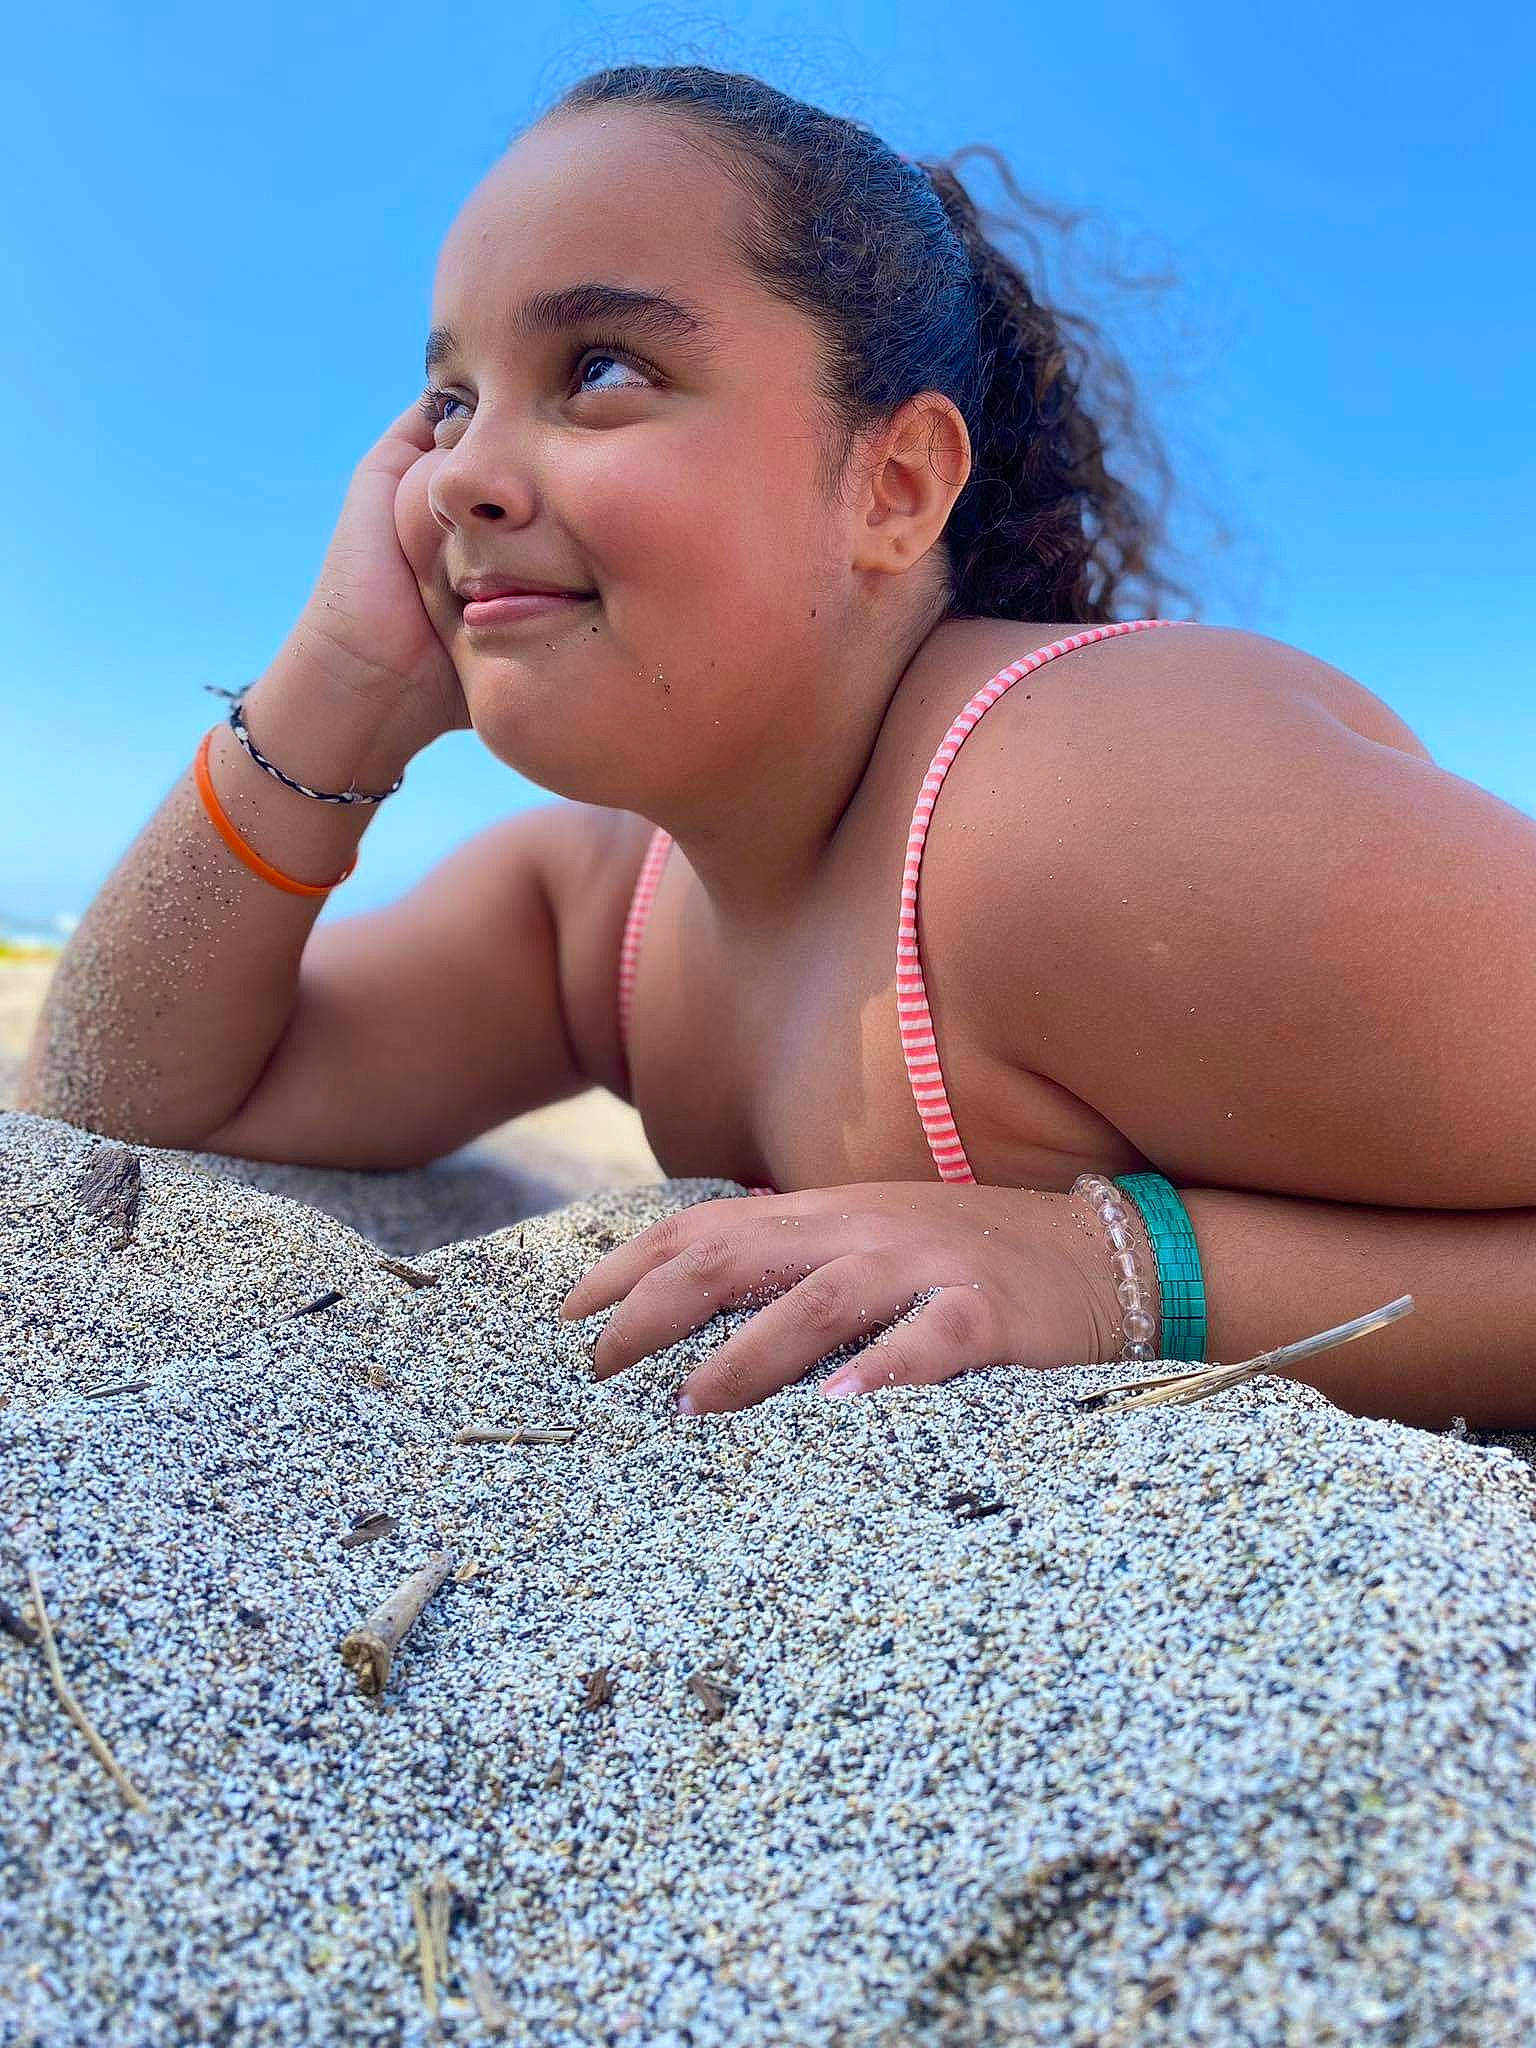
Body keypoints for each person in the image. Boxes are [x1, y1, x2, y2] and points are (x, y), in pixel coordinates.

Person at [18, 65, 1536, 1427]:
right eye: (448, 403)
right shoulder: (605, 908)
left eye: (602, 369)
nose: (460, 474)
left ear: (895, 484)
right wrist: (335, 686)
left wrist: (1112, 1270)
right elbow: (127, 1099)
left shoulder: (1098, 801)